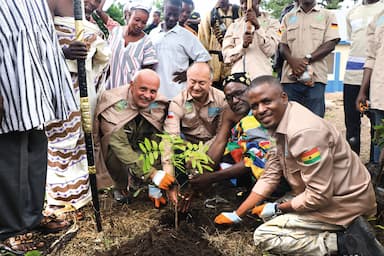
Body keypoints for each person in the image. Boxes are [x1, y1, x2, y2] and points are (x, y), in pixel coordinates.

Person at [215, 76, 382, 255]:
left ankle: (343, 242)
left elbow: (319, 195)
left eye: (266, 102)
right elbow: (270, 175)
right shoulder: (279, 124)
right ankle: (340, 230)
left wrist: (278, 208)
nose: (260, 110)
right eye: (254, 106)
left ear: (284, 97)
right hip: (329, 195)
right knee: (268, 216)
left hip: (344, 203)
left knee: (264, 235)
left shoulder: (304, 133)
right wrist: (238, 214)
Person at [0, 0, 78, 252]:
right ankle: (10, 229)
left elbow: (37, 36)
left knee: (36, 152)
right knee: (11, 158)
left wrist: (63, 53)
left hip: (33, 84)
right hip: (8, 83)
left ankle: (31, 218)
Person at [45, 0, 109, 214]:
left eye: (100, 1)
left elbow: (101, 58)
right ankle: (55, 199)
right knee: (60, 142)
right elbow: (37, 42)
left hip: (84, 89)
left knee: (83, 140)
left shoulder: (91, 19)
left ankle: (80, 196)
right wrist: (64, 52)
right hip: (58, 88)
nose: (94, 3)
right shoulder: (53, 3)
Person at [94, 69, 175, 206]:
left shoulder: (158, 105)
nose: (147, 95)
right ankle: (118, 186)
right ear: (132, 85)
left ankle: (141, 183)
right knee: (112, 149)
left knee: (157, 144)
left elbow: (157, 143)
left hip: (140, 146)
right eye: (143, 89)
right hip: (118, 153)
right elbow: (118, 144)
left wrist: (154, 186)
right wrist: (152, 174)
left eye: (152, 91)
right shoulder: (113, 101)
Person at [189, 72, 270, 190]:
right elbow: (220, 141)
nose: (235, 100)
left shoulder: (263, 112)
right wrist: (203, 174)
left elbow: (254, 159)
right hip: (244, 158)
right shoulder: (230, 111)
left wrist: (211, 177)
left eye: (239, 93)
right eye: (229, 97)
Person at [161, 62, 227, 205]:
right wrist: (169, 179)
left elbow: (223, 133)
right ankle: (182, 185)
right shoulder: (178, 102)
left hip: (214, 145)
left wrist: (204, 155)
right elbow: (170, 139)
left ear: (211, 81)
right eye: (192, 82)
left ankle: (219, 188)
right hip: (188, 149)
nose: (196, 87)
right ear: (187, 79)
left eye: (202, 83)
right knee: (175, 145)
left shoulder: (221, 99)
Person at [280, 0, 340, 117]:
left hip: (315, 80)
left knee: (315, 121)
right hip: (290, 79)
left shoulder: (328, 15)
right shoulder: (288, 17)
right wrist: (292, 62)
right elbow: (282, 45)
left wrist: (306, 60)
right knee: (290, 120)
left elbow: (331, 43)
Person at [343, 0, 384, 156]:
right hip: (353, 77)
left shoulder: (381, 9)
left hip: (377, 79)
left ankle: (375, 162)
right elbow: (355, 43)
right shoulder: (352, 12)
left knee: (376, 124)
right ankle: (353, 162)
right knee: (352, 123)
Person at [149, 0, 210, 100]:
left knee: (175, 116)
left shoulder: (187, 36)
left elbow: (204, 57)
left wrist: (189, 73)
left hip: (177, 94)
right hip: (155, 92)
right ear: (163, 10)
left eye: (175, 14)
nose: (172, 18)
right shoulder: (153, 34)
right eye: (169, 13)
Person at [222, 0, 280, 80]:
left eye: (248, 2)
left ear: (258, 1)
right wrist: (243, 46)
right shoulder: (234, 26)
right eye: (242, 3)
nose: (245, 6)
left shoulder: (272, 23)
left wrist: (258, 27)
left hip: (261, 80)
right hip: (239, 81)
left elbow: (270, 50)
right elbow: (226, 57)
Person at [106, 3, 158, 90]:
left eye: (144, 23)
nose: (139, 25)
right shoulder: (115, 32)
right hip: (109, 90)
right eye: (137, 20)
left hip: (130, 94)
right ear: (128, 15)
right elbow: (105, 60)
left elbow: (148, 72)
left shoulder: (146, 42)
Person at [356, 10, 384, 166]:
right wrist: (362, 91)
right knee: (380, 142)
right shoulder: (378, 18)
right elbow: (371, 58)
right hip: (381, 93)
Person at [198, 0, 241, 89]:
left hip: (235, 63)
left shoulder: (238, 12)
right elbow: (203, 42)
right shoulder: (209, 15)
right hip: (215, 65)